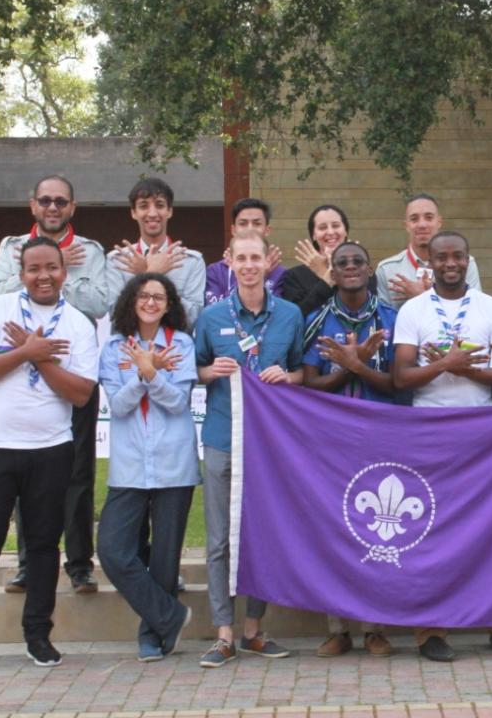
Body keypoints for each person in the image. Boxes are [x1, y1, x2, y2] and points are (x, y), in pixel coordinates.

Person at [0, 237, 98, 674]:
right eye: (34, 269)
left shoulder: (79, 324)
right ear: (21, 272)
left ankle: (38, 636)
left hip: (50, 450)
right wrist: (28, 351)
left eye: (52, 268)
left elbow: (81, 394)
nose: (43, 276)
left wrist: (38, 359)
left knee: (45, 545)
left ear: (65, 271)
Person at [392, 230, 492, 662]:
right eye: (442, 256)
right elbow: (401, 377)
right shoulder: (412, 310)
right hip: (429, 429)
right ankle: (431, 629)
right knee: (433, 529)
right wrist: (447, 364)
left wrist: (464, 371)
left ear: (469, 259)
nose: (450, 263)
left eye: (458, 256)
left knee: (486, 526)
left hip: (481, 430)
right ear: (428, 260)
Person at [0, 174, 107, 594]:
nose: (53, 208)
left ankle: (79, 565)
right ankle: (28, 564)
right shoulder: (10, 248)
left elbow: (98, 303)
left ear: (72, 207)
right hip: (23, 371)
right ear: (33, 205)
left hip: (72, 369)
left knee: (77, 470)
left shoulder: (90, 252)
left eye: (61, 201)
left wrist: (63, 273)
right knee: (27, 469)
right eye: (45, 201)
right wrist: (43, 267)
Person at [193, 231, 304, 668]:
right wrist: (209, 370)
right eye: (242, 258)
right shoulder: (211, 316)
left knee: (261, 535)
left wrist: (288, 377)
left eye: (256, 257)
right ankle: (223, 634)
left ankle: (255, 630)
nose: (250, 265)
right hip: (222, 438)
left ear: (267, 262)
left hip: (269, 445)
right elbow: (195, 371)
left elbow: (302, 374)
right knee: (220, 539)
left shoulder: (290, 315)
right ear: (230, 262)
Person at [302, 241, 397, 657]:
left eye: (358, 260)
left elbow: (400, 381)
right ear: (333, 272)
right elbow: (309, 382)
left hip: (382, 435)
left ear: (369, 267)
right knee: (336, 530)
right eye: (343, 263)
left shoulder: (392, 318)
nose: (351, 267)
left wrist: (359, 365)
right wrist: (348, 366)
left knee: (378, 530)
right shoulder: (317, 320)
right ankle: (338, 628)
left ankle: (376, 628)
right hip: (333, 439)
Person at [96, 273, 199, 663]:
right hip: (130, 464)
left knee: (164, 557)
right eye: (144, 295)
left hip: (175, 461)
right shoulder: (114, 348)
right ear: (131, 301)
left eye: (159, 296)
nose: (151, 302)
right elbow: (118, 406)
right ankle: (170, 615)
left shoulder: (183, 344)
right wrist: (145, 372)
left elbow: (178, 402)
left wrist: (150, 372)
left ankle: (153, 635)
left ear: (169, 304)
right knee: (113, 550)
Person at [106, 178, 206, 328]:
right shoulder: (118, 260)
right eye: (143, 206)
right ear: (134, 212)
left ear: (170, 211)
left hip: (176, 347)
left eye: (159, 205)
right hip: (129, 347)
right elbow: (115, 316)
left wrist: (151, 276)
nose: (152, 213)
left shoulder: (191, 261)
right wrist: (150, 274)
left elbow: (193, 317)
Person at [374, 193, 482, 309]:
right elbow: (384, 321)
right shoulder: (387, 269)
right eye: (414, 219)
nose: (422, 224)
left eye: (429, 217)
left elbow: (475, 310)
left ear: (439, 222)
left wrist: (422, 297)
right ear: (406, 225)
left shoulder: (464, 264)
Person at [285, 204, 371, 316]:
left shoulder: (361, 270)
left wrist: (329, 274)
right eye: (322, 227)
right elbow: (295, 317)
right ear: (314, 235)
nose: (330, 232)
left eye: (336, 226)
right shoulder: (294, 276)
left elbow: (368, 308)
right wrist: (326, 280)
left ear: (345, 231)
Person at [205, 197, 286, 305]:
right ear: (233, 230)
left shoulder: (281, 273)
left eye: (257, 224)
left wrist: (261, 273)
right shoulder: (215, 271)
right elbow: (216, 313)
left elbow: (278, 312)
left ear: (267, 230)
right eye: (243, 224)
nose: (250, 228)